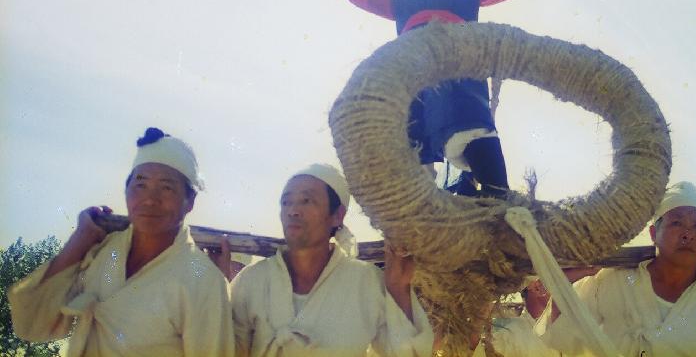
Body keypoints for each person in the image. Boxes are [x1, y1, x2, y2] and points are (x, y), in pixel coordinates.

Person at [321, 0, 585, 197]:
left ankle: (495, 210)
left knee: (489, 175)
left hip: (461, 85)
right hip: (413, 85)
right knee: (414, 184)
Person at [9, 127, 234, 357]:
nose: (150, 200)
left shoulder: (204, 281)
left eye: (167, 187)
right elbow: (32, 324)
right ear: (126, 191)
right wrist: (79, 241)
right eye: (140, 185)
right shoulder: (103, 254)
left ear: (190, 201)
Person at [229, 163, 433, 357]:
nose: (292, 210)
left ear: (337, 215)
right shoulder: (251, 281)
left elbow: (408, 354)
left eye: (306, 201)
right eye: (286, 202)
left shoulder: (365, 281)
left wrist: (398, 287)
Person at [545, 181, 696, 357]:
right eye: (677, 223)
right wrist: (560, 286)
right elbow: (566, 335)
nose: (688, 233)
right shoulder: (611, 282)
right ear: (652, 234)